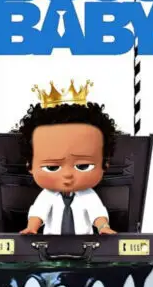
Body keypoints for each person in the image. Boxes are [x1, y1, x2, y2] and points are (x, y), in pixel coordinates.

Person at [17, 81, 117, 235]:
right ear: (29, 165)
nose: (68, 174)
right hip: (51, 244)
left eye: (83, 166)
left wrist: (103, 227)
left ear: (105, 163)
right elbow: (38, 213)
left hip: (85, 243)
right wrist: (32, 228)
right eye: (52, 167)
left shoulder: (88, 195)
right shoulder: (47, 195)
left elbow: (97, 214)